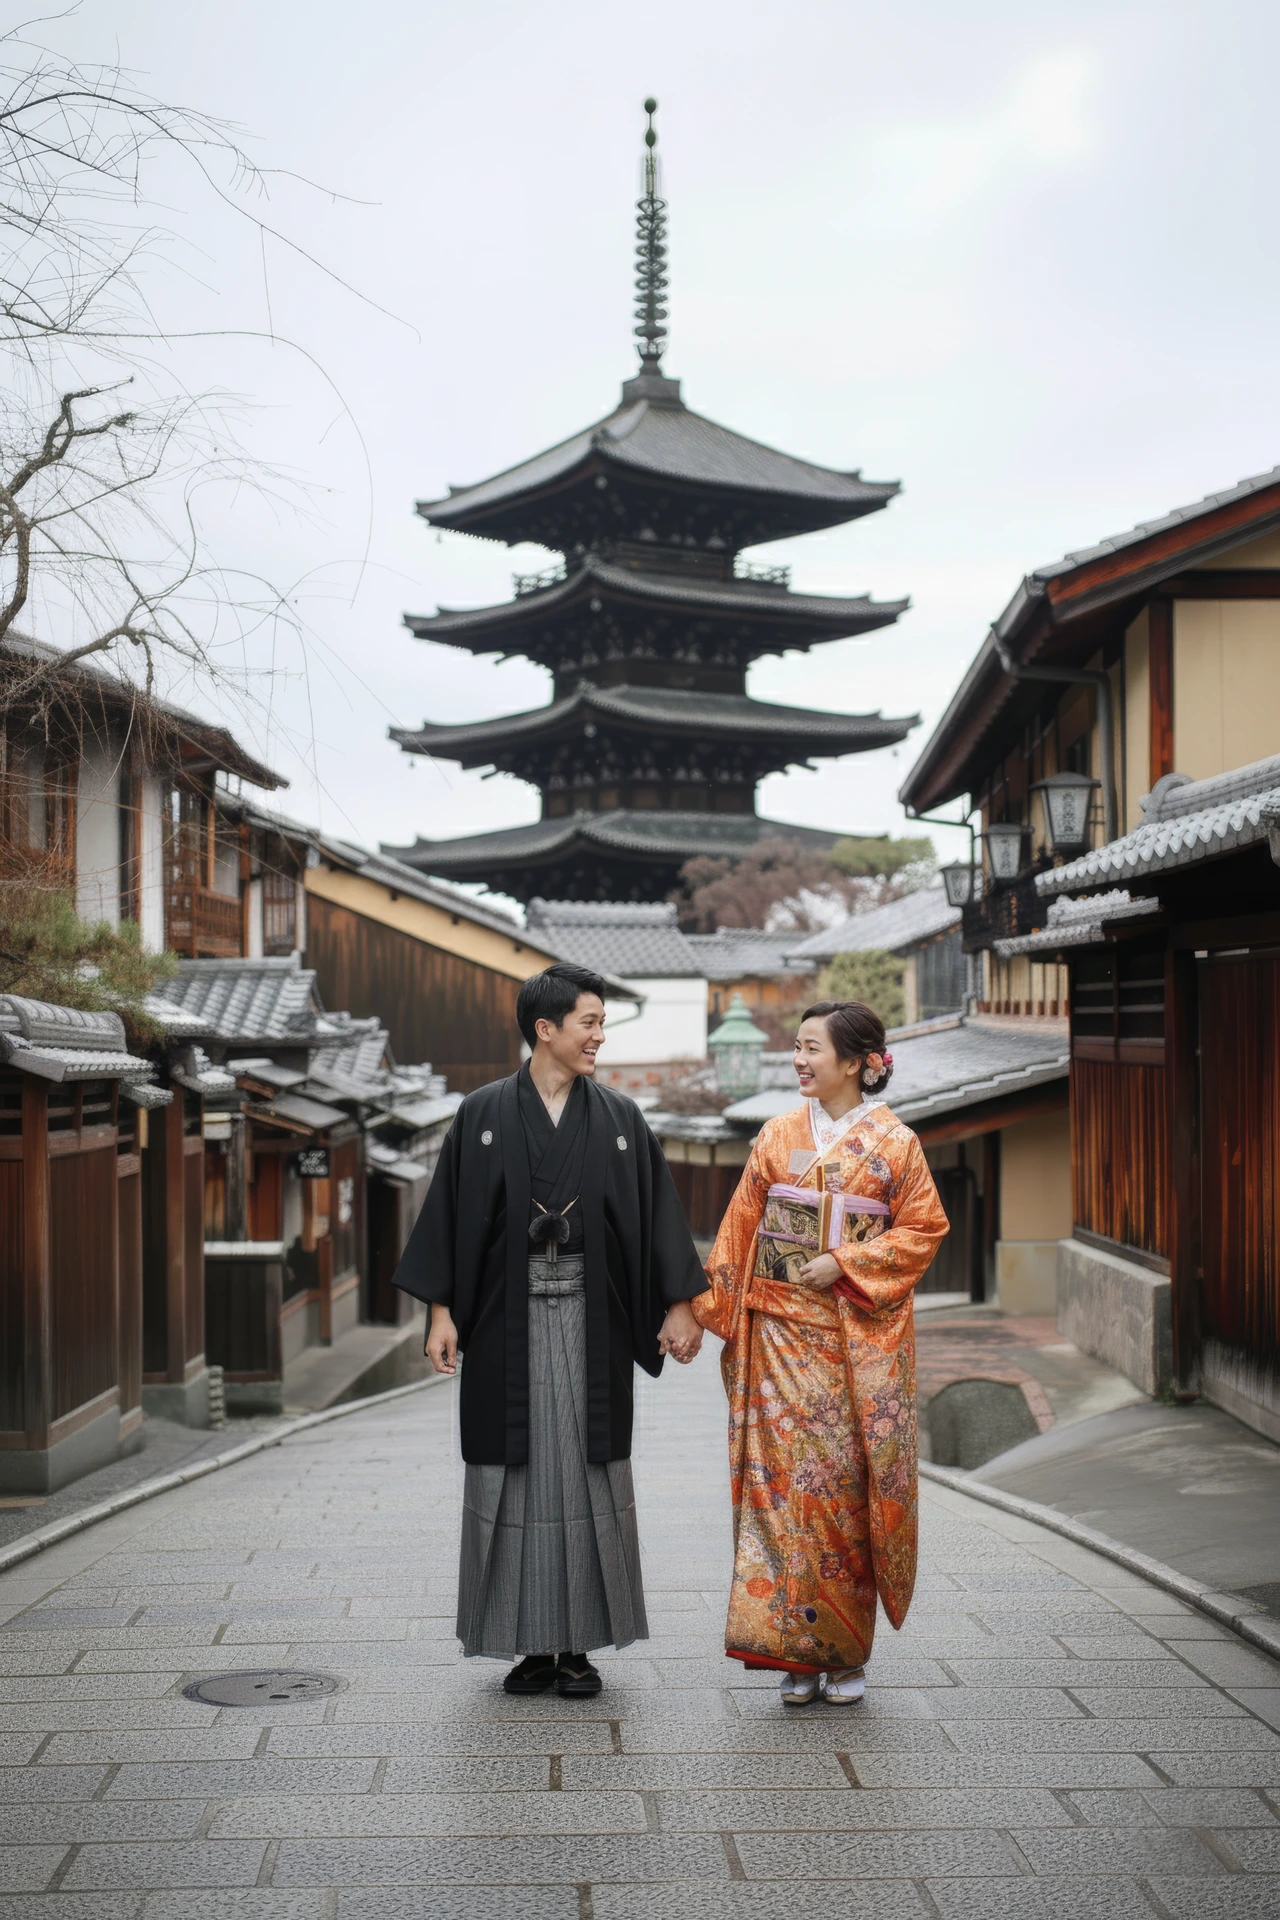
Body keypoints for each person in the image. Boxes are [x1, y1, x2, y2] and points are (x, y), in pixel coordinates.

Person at [393, 961, 704, 1698]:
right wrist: (441, 1311)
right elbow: (449, 1215)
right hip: (506, 1321)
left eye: (599, 1023)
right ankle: (527, 1645)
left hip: (595, 1319)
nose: (600, 1036)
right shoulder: (482, 1114)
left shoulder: (622, 1118)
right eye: (589, 1023)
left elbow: (658, 1214)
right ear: (546, 1029)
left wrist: (682, 1302)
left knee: (587, 1476)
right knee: (514, 1477)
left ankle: (578, 1647)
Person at [692, 999, 948, 1706]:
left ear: (860, 1062)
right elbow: (739, 1231)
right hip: (776, 1339)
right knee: (779, 1496)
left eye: (812, 1049)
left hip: (848, 1347)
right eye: (796, 1049)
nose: (800, 1061)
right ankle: (791, 1653)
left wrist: (845, 1263)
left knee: (840, 1492)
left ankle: (845, 1653)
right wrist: (697, 1311)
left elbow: (924, 1230)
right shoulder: (776, 1135)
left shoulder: (897, 1146)